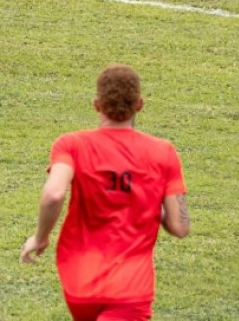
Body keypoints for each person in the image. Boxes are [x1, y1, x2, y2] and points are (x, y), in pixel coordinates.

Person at [20, 65, 190, 321]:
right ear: (140, 104)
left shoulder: (71, 145)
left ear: (96, 104)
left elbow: (54, 193)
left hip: (79, 282)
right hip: (130, 288)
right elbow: (180, 226)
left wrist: (40, 237)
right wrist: (154, 200)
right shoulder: (163, 153)